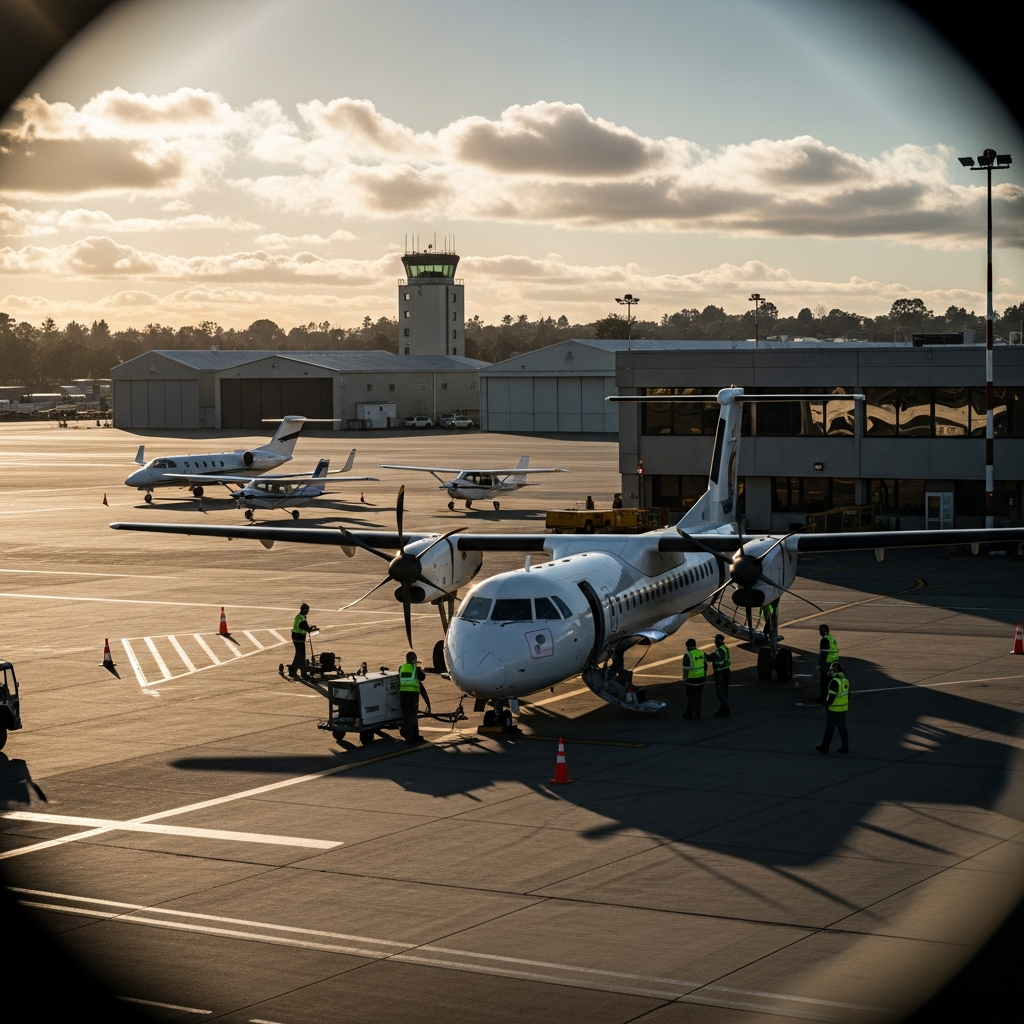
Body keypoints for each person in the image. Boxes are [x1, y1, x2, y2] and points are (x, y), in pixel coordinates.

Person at [816, 662, 850, 754]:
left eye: (831, 670)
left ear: (833, 671)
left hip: (834, 709)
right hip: (843, 709)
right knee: (842, 728)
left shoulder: (834, 681)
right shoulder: (845, 680)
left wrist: (826, 706)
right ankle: (845, 746)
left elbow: (831, 696)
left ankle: (825, 746)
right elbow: (848, 695)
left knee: (830, 729)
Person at [398, 651, 431, 743]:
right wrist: (420, 670)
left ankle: (406, 732)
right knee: (412, 715)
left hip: (403, 695)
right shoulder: (416, 669)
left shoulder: (401, 668)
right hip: (412, 695)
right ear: (415, 660)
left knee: (406, 714)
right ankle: (412, 735)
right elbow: (422, 677)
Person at [288, 603, 316, 678]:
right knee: (301, 655)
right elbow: (306, 628)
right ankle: (302, 673)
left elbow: (305, 626)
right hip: (299, 638)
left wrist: (310, 627)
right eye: (307, 610)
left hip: (296, 637)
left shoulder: (299, 616)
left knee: (299, 655)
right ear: (303, 610)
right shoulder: (301, 618)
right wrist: (312, 629)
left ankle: (294, 670)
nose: (308, 612)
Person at [681, 638, 706, 720]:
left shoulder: (688, 655)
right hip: (701, 679)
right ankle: (698, 715)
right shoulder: (701, 653)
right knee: (698, 697)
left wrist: (684, 680)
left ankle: (689, 714)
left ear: (687, 646)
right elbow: (705, 665)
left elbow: (686, 670)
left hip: (691, 680)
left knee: (691, 698)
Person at [817, 624, 840, 703]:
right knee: (830, 681)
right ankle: (830, 697)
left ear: (822, 631)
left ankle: (823, 698)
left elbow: (824, 653)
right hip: (834, 662)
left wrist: (820, 664)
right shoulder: (831, 638)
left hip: (827, 663)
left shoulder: (825, 639)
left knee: (824, 681)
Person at [711, 634, 731, 717]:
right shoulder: (723, 648)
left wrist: (707, 656)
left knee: (719, 692)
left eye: (716, 640)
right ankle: (723, 709)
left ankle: (725, 708)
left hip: (721, 672)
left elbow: (717, 660)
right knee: (724, 691)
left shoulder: (720, 650)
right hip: (725, 672)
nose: (715, 642)